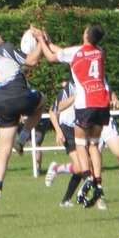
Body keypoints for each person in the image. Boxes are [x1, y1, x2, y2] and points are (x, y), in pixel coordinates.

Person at [40, 24, 111, 208]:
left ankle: (87, 178)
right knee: (94, 145)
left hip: (86, 104)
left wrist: (40, 41)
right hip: (103, 102)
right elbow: (64, 52)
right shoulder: (100, 51)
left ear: (86, 35)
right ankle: (98, 182)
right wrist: (50, 43)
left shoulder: (76, 52)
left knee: (81, 143)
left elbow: (51, 57)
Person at [0, 27, 47, 211]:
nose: (0, 35)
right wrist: (41, 41)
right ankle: (22, 139)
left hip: (3, 106)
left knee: (3, 150)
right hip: (20, 97)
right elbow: (32, 61)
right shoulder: (5, 47)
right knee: (43, 100)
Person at [45, 78, 83, 206]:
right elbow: (53, 111)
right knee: (80, 167)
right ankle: (56, 168)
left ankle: (66, 200)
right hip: (68, 129)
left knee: (84, 167)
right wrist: (58, 131)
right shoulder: (69, 88)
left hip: (82, 128)